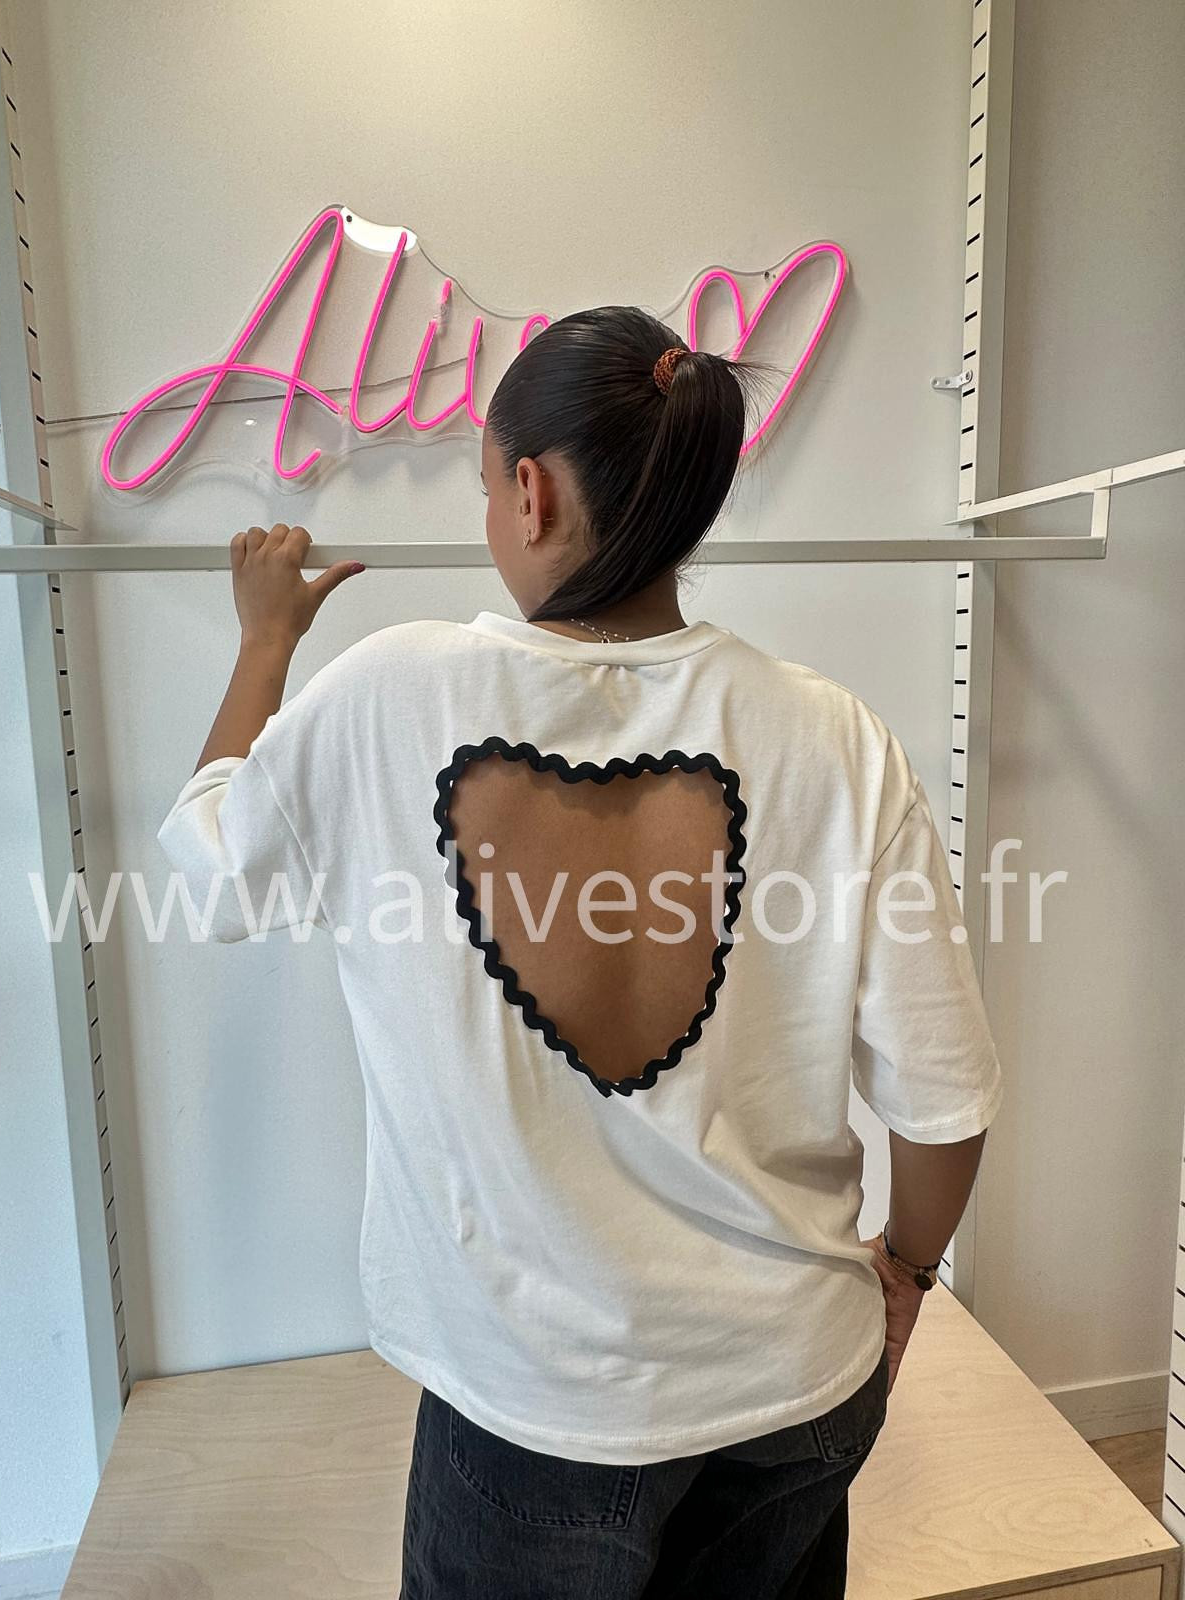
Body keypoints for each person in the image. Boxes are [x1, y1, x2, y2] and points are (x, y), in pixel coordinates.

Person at [158, 305, 1002, 1599]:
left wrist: (266, 635)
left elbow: (214, 869)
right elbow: (944, 1101)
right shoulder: (835, 736)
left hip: (533, 1409)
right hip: (796, 1388)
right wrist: (906, 1274)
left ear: (532, 492)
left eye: (485, 484)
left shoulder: (389, 693)